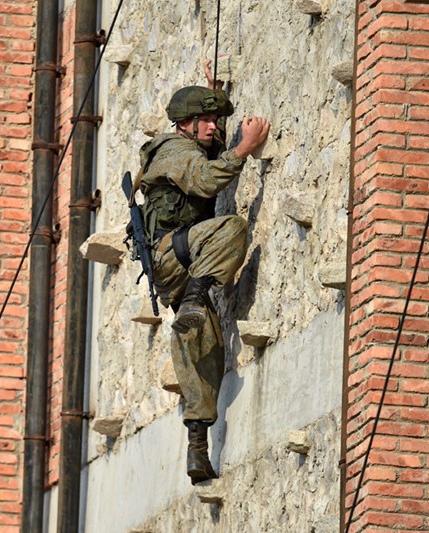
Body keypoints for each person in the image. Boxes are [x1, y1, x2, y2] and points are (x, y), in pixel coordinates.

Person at [134, 66, 270, 484]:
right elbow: (206, 178)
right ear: (185, 124)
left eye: (216, 119)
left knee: (201, 342)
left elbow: (206, 152)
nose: (214, 127)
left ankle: (197, 448)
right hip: (175, 255)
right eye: (206, 120)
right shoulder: (174, 150)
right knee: (232, 227)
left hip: (176, 265)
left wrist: (214, 95)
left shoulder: (189, 141)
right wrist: (244, 148)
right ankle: (195, 298)